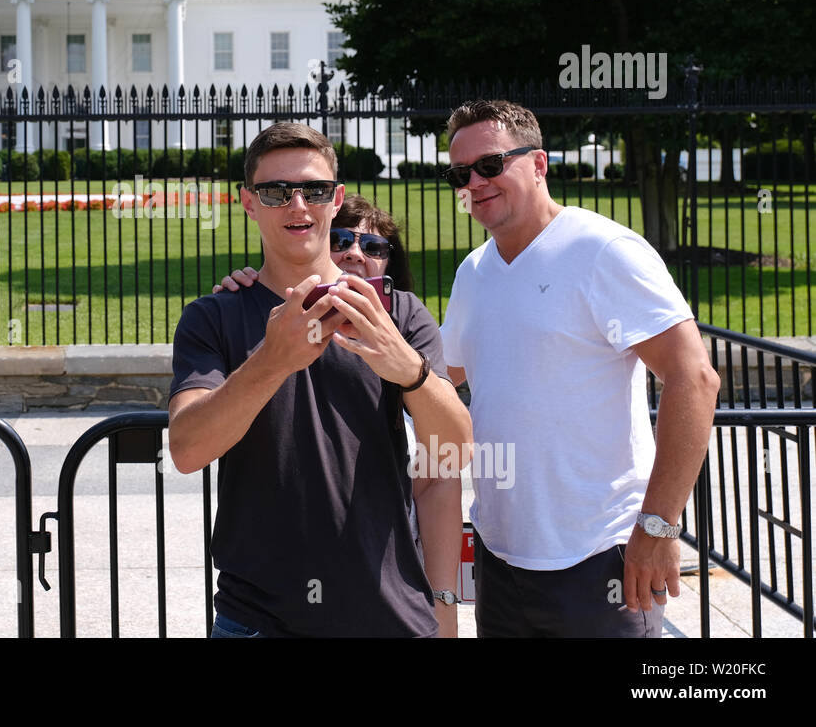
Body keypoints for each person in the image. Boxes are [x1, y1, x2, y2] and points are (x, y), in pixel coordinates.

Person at [167, 122, 472, 637]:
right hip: (258, 620)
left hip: (390, 614)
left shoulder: (398, 313)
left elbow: (454, 451)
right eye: (276, 192)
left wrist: (408, 370)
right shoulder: (214, 317)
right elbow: (187, 449)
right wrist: (272, 360)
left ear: (337, 199)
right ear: (248, 202)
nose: (297, 205)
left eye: (313, 190)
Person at [439, 99, 718, 637]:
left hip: (601, 557)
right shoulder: (474, 271)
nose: (474, 181)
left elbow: (695, 378)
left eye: (491, 165)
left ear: (539, 164)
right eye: (461, 172)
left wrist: (658, 527)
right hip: (501, 557)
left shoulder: (603, 250)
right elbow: (440, 380)